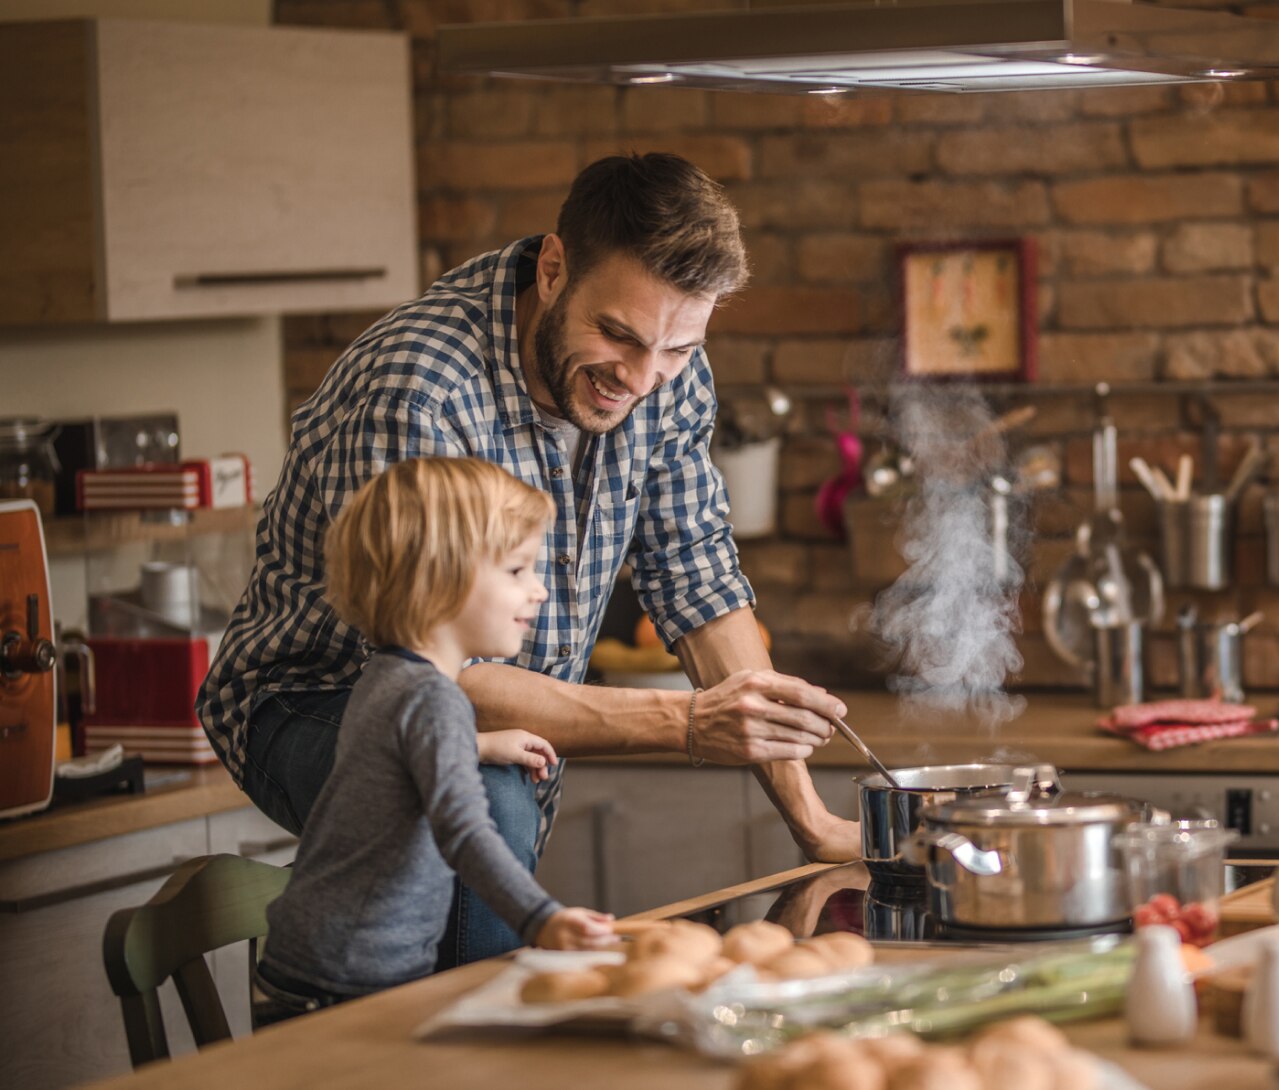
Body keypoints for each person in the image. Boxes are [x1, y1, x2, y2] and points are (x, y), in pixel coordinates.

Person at [198, 153, 857, 969]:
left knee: (489, 818)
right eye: (616, 334)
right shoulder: (421, 388)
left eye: (679, 349)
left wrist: (811, 818)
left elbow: (697, 578)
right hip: (312, 699)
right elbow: (434, 673)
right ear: (553, 269)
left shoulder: (664, 370)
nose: (643, 378)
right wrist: (685, 724)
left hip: (494, 713)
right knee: (480, 793)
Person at [256, 458, 614, 1023]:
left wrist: (480, 745)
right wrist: (540, 919)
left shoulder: (387, 675)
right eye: (517, 570)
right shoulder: (435, 699)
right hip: (350, 980)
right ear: (439, 576)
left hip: (314, 961)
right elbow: (466, 830)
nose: (540, 591)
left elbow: (384, 761)